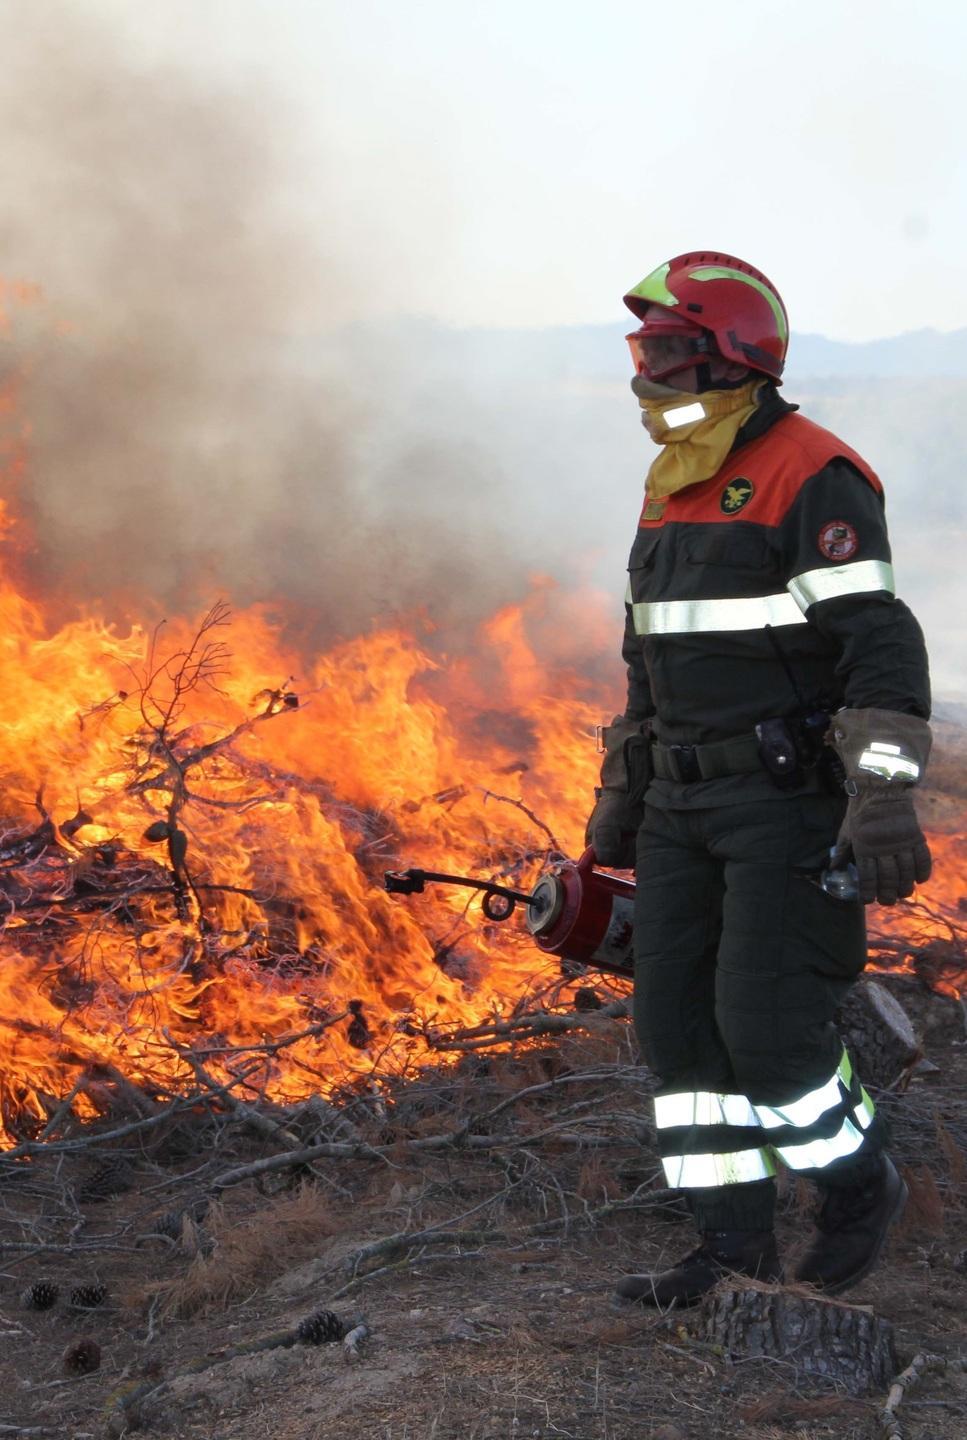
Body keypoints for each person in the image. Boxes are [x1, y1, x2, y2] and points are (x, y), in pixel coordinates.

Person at [586, 251, 932, 1306]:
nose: (648, 377)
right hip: (681, 806)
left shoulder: (811, 472)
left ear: (732, 355)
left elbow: (878, 646)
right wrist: (620, 803)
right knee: (676, 1033)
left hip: (780, 805)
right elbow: (649, 665)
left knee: (770, 1031)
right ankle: (727, 1249)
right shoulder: (671, 488)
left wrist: (878, 798)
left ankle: (855, 1181)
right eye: (643, 353)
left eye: (669, 353)